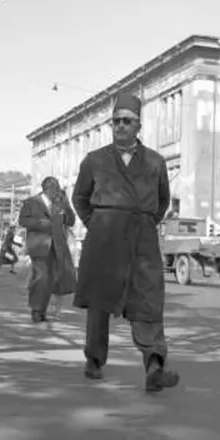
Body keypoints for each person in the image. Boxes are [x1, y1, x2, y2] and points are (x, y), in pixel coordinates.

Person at [72, 92, 180, 393]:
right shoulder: (94, 160)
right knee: (99, 302)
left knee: (148, 300)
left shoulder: (155, 162)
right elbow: (79, 198)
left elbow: (162, 201)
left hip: (142, 241)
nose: (120, 126)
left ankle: (155, 365)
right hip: (103, 240)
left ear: (138, 126)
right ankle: (94, 359)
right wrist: (97, 223)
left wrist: (143, 222)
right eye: (116, 121)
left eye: (127, 121)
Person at [19, 176, 76, 323]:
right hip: (39, 245)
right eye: (55, 188)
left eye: (57, 188)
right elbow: (23, 220)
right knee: (41, 277)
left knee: (50, 280)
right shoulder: (32, 202)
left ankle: (41, 311)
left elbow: (71, 221)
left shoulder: (59, 204)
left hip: (57, 246)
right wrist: (40, 223)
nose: (57, 192)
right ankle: (36, 309)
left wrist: (66, 205)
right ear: (47, 189)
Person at [48, 187, 78, 319]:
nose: (58, 199)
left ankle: (57, 310)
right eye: (56, 197)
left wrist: (67, 207)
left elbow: (71, 221)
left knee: (60, 280)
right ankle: (50, 305)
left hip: (61, 248)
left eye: (61, 197)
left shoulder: (65, 210)